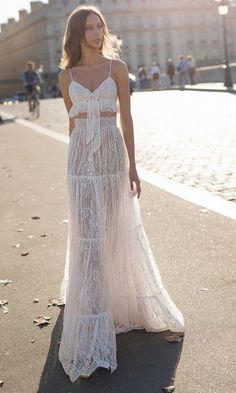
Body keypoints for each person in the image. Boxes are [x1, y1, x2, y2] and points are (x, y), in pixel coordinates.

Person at [58, 5, 184, 383]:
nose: (98, 33)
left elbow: (125, 118)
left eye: (101, 26)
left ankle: (115, 308)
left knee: (113, 235)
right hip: (81, 164)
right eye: (90, 28)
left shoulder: (118, 70)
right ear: (77, 34)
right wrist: (78, 171)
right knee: (89, 240)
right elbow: (73, 123)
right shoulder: (66, 77)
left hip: (113, 159)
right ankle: (92, 333)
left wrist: (133, 166)